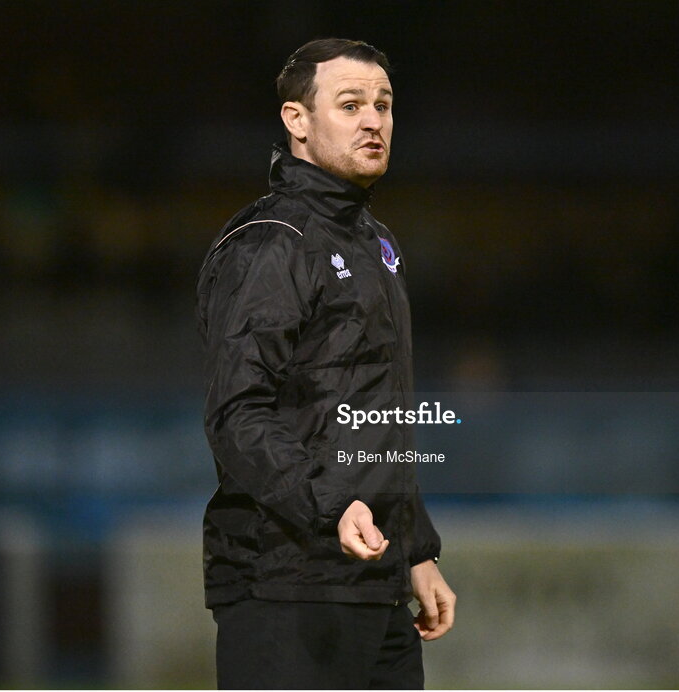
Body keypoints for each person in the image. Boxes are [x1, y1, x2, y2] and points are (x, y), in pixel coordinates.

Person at [196, 38, 455, 689]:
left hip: (375, 582)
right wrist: (332, 506)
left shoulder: (375, 242)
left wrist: (415, 548)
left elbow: (378, 414)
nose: (374, 120)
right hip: (284, 584)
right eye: (350, 104)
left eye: (383, 104)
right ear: (297, 121)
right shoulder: (271, 243)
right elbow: (237, 415)